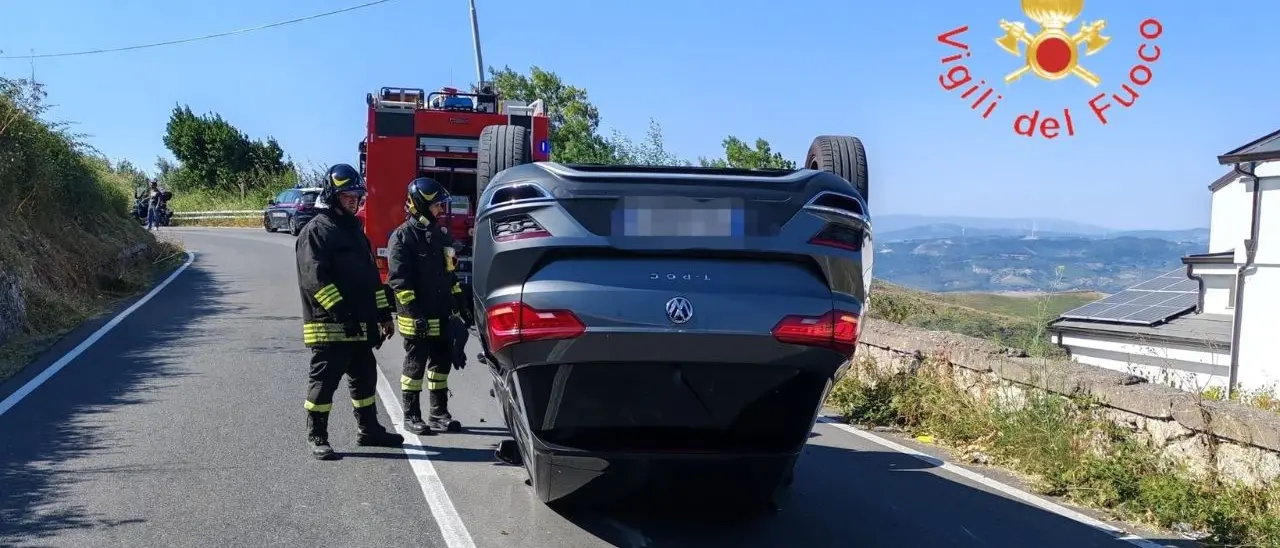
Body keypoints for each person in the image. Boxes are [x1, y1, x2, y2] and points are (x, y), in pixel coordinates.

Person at [295, 163, 405, 460]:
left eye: (356, 196)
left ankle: (369, 430)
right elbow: (315, 281)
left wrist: (384, 314)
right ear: (333, 196)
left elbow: (372, 278)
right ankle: (317, 435)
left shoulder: (356, 231)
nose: (353, 201)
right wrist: (342, 314)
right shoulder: (316, 231)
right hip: (331, 326)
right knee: (324, 381)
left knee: (365, 377)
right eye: (347, 196)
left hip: (360, 324)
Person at [386, 177, 473, 435]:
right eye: (435, 206)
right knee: (415, 367)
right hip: (417, 316)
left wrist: (461, 306)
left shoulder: (440, 236)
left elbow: (451, 276)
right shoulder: (402, 237)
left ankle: (438, 412)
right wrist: (415, 314)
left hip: (441, 313)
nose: (440, 210)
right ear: (421, 206)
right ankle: (411, 415)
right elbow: (399, 283)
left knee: (441, 364)